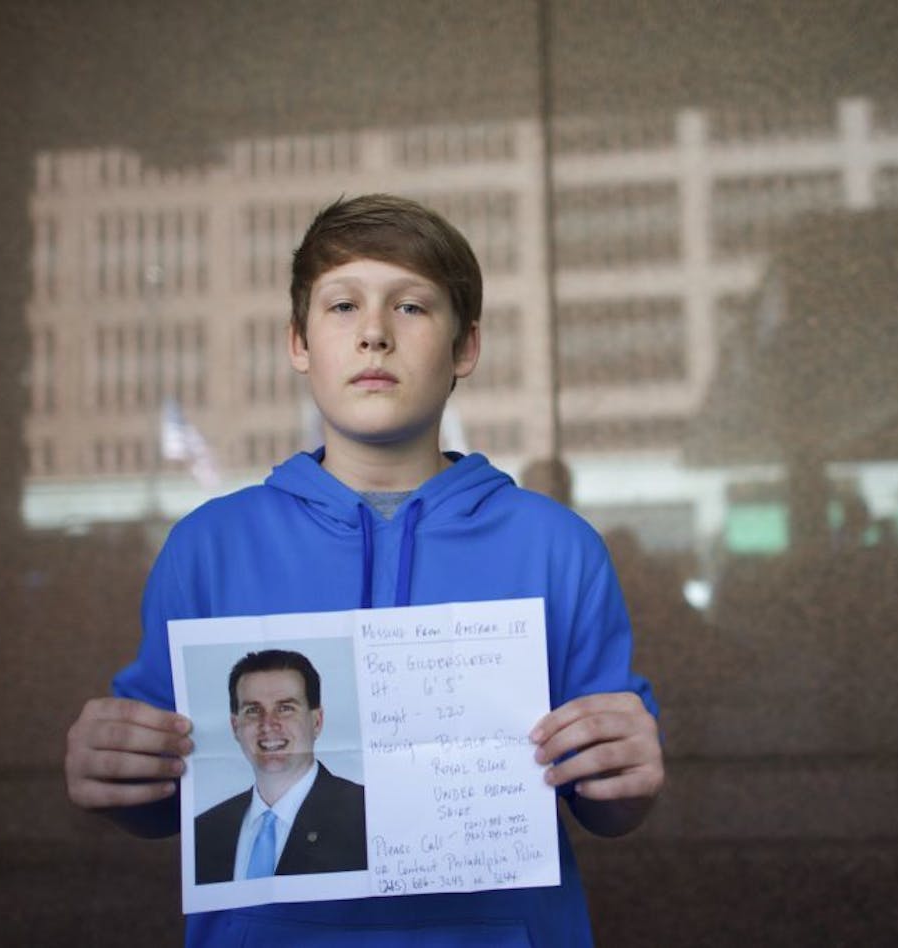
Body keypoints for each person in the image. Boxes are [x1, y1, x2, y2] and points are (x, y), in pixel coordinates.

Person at [64, 193, 664, 947]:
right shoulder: (207, 547)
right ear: (299, 342)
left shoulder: (558, 547)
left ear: (465, 348)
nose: (374, 334)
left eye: (411, 308)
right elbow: (160, 798)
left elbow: (605, 805)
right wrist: (113, 771)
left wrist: (630, 777)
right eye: (343, 305)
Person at [194, 649, 366, 884]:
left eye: (285, 708)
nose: (268, 724)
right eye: (253, 710)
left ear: (317, 721)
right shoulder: (204, 830)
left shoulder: (365, 815)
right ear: (235, 727)